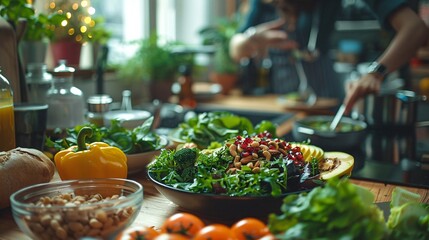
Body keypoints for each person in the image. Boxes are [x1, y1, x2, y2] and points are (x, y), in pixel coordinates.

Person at [229, 0, 429, 114]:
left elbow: (416, 29)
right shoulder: (262, 4)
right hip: (280, 108)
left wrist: (376, 73)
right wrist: (251, 39)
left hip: (328, 105)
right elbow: (235, 50)